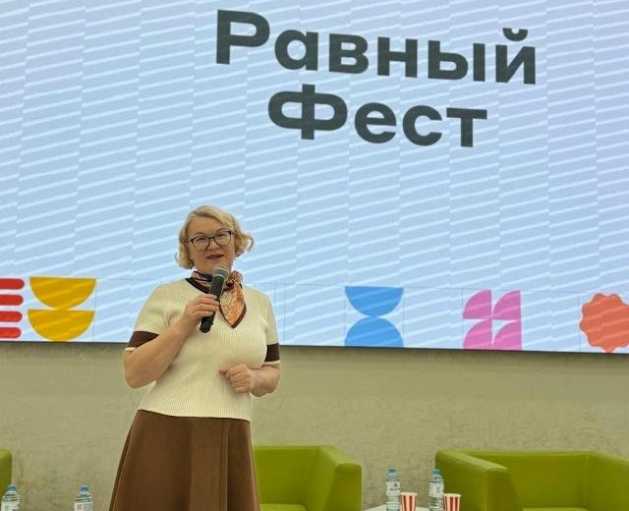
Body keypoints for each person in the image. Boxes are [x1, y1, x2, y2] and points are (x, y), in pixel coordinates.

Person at [109, 205, 281, 511]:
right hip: (167, 432)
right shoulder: (166, 296)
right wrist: (183, 324)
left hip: (231, 434)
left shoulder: (260, 303)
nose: (212, 245)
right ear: (187, 250)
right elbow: (134, 374)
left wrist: (255, 378)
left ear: (237, 240)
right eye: (200, 239)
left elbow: (272, 373)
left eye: (221, 235)